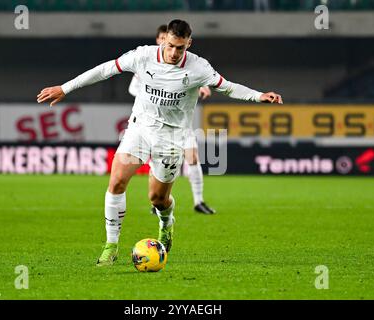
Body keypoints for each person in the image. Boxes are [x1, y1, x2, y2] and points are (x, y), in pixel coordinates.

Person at [37, 19, 282, 266]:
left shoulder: (199, 67)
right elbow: (105, 69)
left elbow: (227, 87)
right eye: (172, 45)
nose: (175, 53)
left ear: (189, 44)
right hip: (140, 129)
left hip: (172, 137)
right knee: (117, 181)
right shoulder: (143, 56)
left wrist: (258, 95)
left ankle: (166, 223)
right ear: (163, 39)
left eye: (181, 48)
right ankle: (111, 246)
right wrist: (65, 88)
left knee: (157, 199)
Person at [129, 24, 217, 215]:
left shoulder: (188, 65)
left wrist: (200, 87)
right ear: (159, 41)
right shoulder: (146, 62)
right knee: (159, 163)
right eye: (162, 39)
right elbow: (133, 88)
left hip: (179, 123)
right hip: (153, 123)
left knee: (193, 157)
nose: (166, 44)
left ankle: (198, 201)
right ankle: (158, 202)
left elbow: (197, 80)